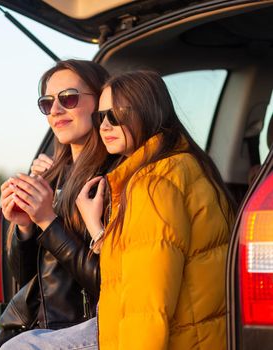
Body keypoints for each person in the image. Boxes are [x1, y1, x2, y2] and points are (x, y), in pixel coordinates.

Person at [74, 70, 235, 350]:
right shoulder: (188, 165)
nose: (105, 126)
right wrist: (100, 233)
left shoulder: (153, 183)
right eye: (100, 117)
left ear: (148, 111)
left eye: (116, 114)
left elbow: (146, 307)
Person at [0, 59, 114, 350]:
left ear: (101, 101)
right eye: (47, 103)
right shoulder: (54, 174)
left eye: (68, 98)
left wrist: (47, 220)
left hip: (85, 328)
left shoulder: (113, 177)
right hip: (40, 326)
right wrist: (24, 226)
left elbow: (110, 284)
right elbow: (27, 280)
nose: (56, 110)